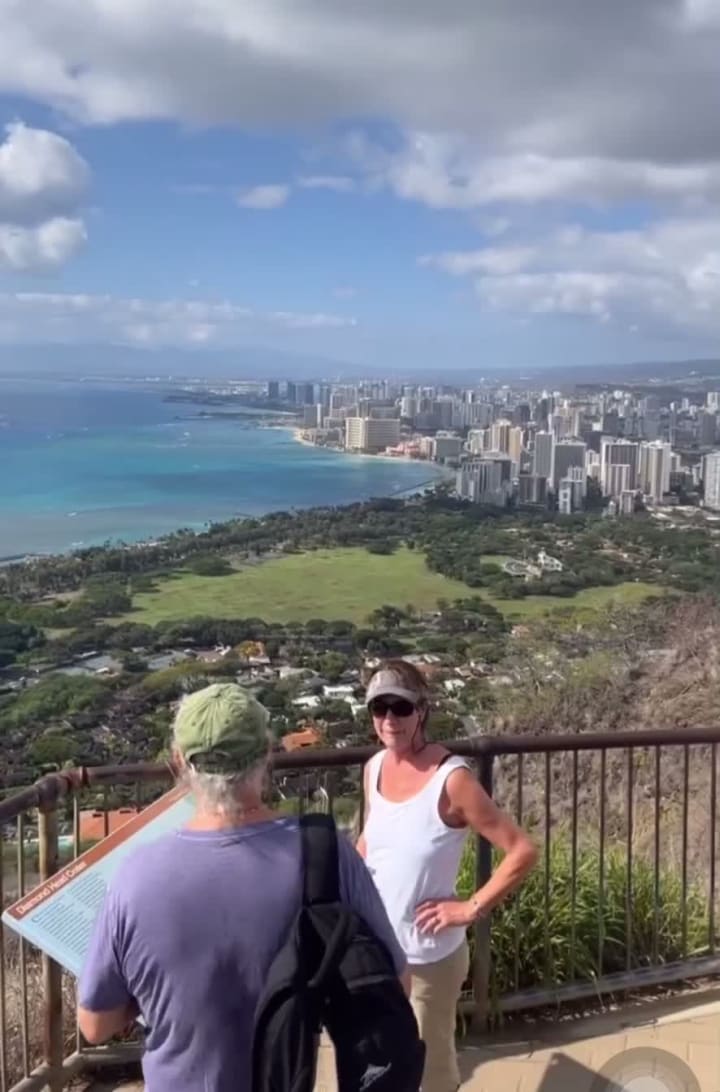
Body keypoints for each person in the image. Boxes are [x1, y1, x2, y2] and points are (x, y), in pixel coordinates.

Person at [78, 682, 409, 1092]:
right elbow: (394, 982)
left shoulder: (135, 875)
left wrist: (153, 994)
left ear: (180, 762)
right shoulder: (324, 852)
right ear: (267, 754)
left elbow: (95, 1025)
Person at [357, 660, 537, 1092]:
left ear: (422, 710)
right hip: (381, 950)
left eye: (399, 708)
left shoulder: (451, 780)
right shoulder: (375, 767)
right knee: (386, 1063)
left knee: (431, 1072)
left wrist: (470, 908)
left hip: (428, 960)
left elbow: (522, 850)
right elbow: (371, 843)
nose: (388, 719)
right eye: (378, 709)